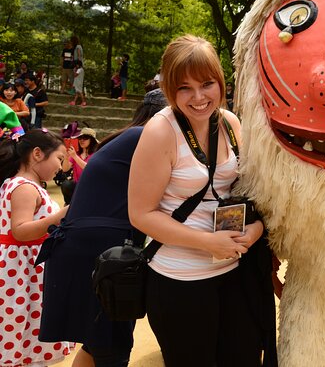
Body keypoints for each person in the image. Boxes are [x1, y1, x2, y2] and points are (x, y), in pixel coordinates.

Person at [128, 35, 269, 366]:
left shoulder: (230, 123)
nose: (199, 97)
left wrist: (257, 228)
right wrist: (207, 242)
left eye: (207, 84)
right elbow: (141, 214)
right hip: (180, 280)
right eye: (184, 88)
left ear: (220, 82)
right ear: (169, 90)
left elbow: (247, 192)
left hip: (233, 271)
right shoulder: (161, 131)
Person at [38, 89, 168, 367]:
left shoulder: (126, 136)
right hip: (103, 253)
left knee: (97, 344)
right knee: (112, 348)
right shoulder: (144, 138)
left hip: (86, 247)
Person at [0, 129, 73, 365]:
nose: (60, 167)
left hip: (23, 271)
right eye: (59, 159)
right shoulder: (24, 187)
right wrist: (60, 217)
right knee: (24, 324)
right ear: (38, 154)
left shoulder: (22, 184)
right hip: (21, 273)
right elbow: (20, 230)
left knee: (23, 326)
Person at [60, 127, 98, 205]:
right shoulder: (76, 154)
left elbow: (89, 168)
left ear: (92, 140)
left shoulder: (96, 154)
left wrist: (74, 157)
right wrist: (66, 158)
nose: (82, 140)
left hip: (91, 186)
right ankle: (69, 206)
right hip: (78, 184)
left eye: (85, 138)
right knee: (66, 184)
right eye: (80, 138)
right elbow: (65, 169)